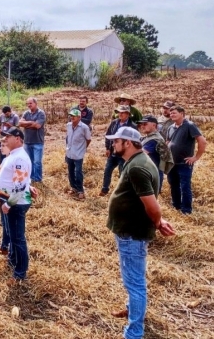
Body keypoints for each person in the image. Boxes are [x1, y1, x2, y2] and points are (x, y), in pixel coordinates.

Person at [104, 126, 175, 338]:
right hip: (130, 230)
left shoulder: (137, 167)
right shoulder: (138, 161)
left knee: (134, 282)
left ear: (127, 143)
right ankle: (132, 309)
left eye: (116, 141)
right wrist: (158, 220)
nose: (113, 144)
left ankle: (134, 331)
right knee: (134, 277)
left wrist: (158, 221)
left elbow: (152, 205)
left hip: (132, 233)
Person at [0, 127, 37, 282]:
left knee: (18, 238)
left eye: (8, 136)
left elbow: (19, 186)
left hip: (16, 202)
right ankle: (13, 261)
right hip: (9, 198)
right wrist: (29, 185)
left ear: (18, 138)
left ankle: (20, 273)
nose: (5, 139)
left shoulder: (19, 158)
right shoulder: (14, 155)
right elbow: (22, 180)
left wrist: (9, 204)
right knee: (12, 235)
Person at [165, 106, 207, 214]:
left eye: (174, 113)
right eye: (171, 113)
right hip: (172, 163)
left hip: (184, 163)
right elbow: (168, 142)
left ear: (182, 113)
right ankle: (176, 205)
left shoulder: (189, 125)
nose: (172, 115)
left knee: (184, 186)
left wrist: (196, 157)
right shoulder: (171, 127)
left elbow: (202, 141)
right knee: (173, 184)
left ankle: (186, 210)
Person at [101, 106, 137, 196]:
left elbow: (135, 141)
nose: (120, 114)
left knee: (122, 174)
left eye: (122, 112)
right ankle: (104, 190)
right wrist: (108, 148)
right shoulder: (114, 123)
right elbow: (108, 135)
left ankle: (122, 192)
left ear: (128, 114)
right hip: (113, 152)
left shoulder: (132, 126)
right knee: (107, 171)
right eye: (119, 112)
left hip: (123, 154)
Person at [137, 115, 173, 195]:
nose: (142, 126)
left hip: (152, 175)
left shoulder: (153, 140)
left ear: (154, 125)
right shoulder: (149, 137)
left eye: (145, 124)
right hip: (150, 172)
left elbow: (139, 155)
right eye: (141, 124)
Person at [65, 109, 92, 200]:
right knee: (70, 172)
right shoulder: (68, 125)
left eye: (74, 116)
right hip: (70, 153)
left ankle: (80, 190)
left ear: (79, 117)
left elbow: (88, 139)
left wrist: (83, 149)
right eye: (71, 116)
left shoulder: (84, 127)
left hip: (78, 154)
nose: (72, 117)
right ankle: (73, 188)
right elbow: (68, 138)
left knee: (78, 172)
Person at [19, 97, 46, 183]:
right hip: (27, 141)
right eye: (27, 103)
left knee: (37, 162)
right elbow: (20, 123)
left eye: (30, 103)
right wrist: (31, 123)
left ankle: (37, 179)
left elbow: (37, 126)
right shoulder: (26, 113)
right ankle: (30, 178)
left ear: (35, 103)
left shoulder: (41, 113)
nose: (29, 105)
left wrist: (26, 124)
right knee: (28, 161)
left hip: (38, 141)